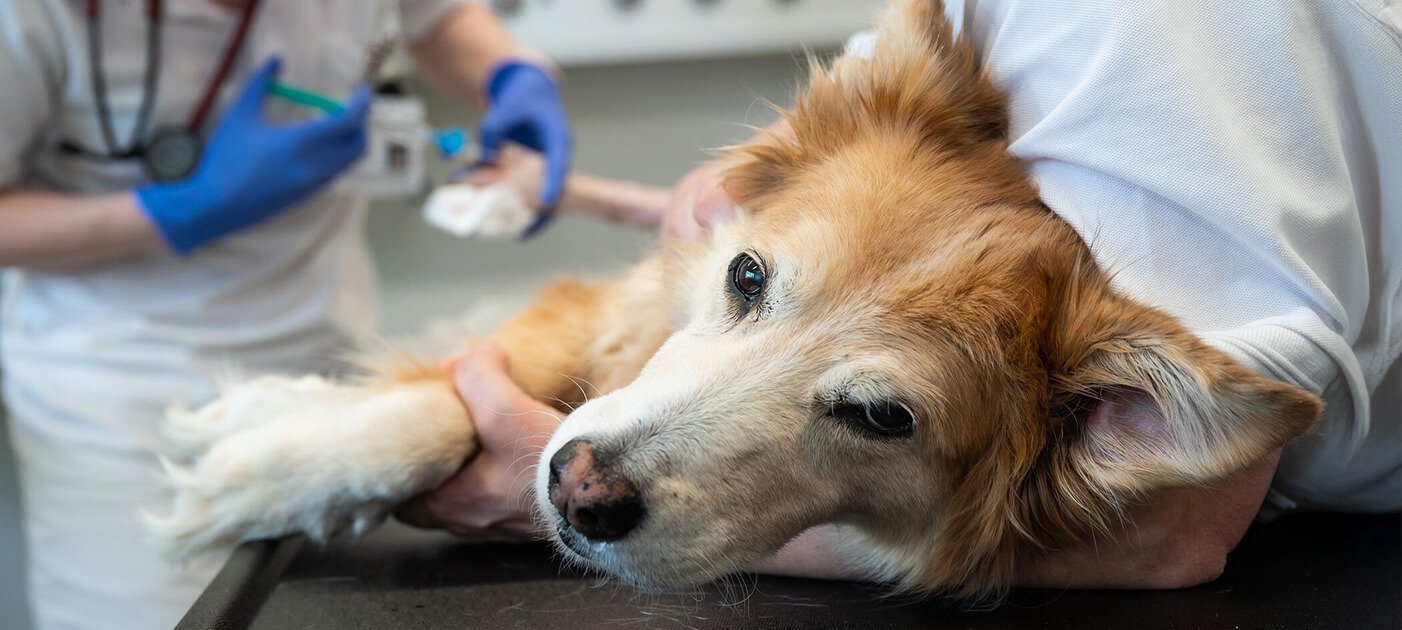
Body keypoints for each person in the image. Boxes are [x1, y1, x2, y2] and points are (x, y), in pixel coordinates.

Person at [413, 0, 1400, 589]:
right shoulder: (951, 31)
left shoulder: (1166, 31)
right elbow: (738, 195)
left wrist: (519, 501)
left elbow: (1166, 537)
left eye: (879, 411)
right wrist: (728, 226)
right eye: (751, 286)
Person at [0, 1, 572, 628]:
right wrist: (177, 211)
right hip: (115, 396)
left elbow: (434, 14)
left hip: (332, 369)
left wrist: (512, 74)